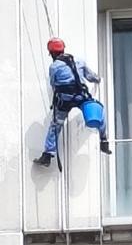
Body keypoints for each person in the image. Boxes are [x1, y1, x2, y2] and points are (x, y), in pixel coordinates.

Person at [34, 37, 112, 167]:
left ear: (52, 53)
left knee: (55, 126)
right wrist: (98, 79)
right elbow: (90, 76)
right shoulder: (79, 61)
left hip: (65, 100)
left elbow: (54, 84)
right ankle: (104, 141)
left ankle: (47, 155)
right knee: (99, 112)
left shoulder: (54, 66)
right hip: (81, 96)